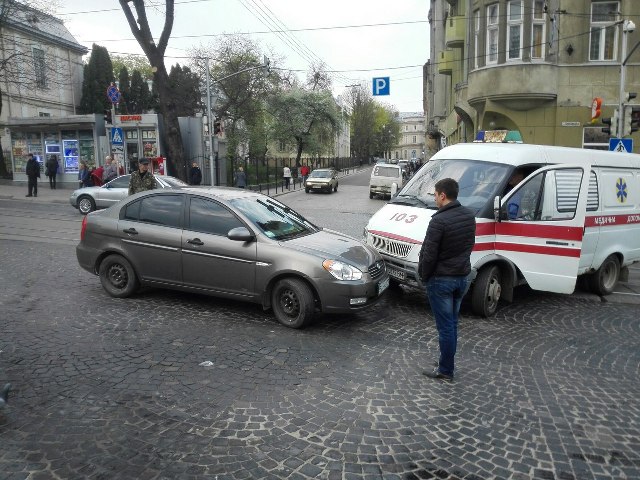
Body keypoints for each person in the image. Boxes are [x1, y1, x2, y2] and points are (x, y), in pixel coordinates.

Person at [418, 178, 476, 382]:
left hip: (442, 280)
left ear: (443, 195)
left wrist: (424, 277)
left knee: (445, 328)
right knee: (451, 325)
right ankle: (446, 362)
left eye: (435, 194)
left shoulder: (439, 220)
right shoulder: (469, 216)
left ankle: (445, 370)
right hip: (461, 278)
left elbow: (429, 254)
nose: (434, 198)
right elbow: (470, 245)